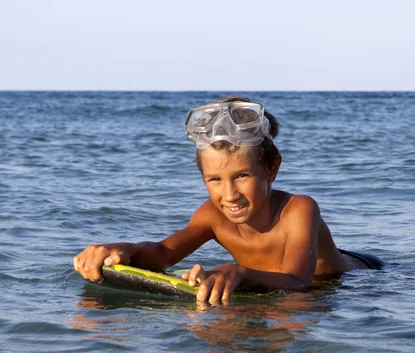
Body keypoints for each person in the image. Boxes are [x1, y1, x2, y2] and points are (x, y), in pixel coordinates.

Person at [74, 96, 384, 304]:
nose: (230, 194)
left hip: (353, 277)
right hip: (267, 283)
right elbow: (161, 254)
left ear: (272, 168)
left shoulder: (299, 209)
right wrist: (121, 250)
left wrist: (239, 272)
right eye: (215, 180)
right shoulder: (213, 215)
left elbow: (299, 282)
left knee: (295, 315)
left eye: (243, 176)